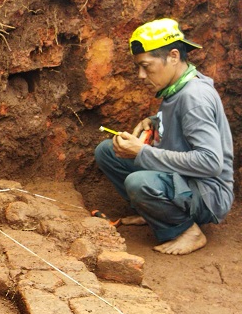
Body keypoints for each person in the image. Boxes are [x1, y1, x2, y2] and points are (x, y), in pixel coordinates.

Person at [94, 18, 234, 255]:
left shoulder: (194, 98)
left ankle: (186, 230)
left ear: (173, 56)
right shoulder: (178, 87)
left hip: (209, 193)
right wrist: (154, 121)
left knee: (138, 183)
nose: (141, 74)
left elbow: (210, 162)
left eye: (146, 66)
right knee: (108, 152)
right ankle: (152, 212)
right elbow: (184, 125)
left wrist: (143, 152)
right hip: (185, 180)